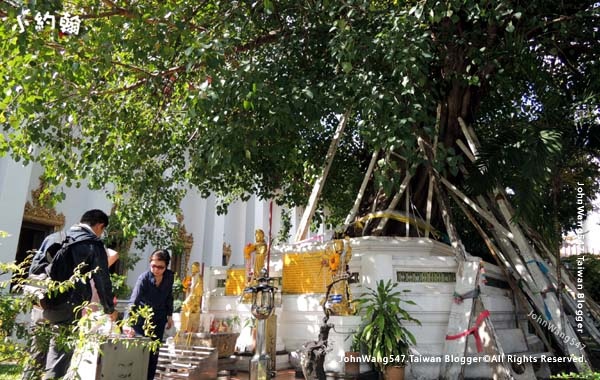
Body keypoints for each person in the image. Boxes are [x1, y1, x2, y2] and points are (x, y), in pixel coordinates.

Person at [23, 209, 118, 380]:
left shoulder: (53, 237)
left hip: (41, 303)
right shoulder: (93, 245)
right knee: (58, 360)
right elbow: (102, 280)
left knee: (35, 357)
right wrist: (109, 308)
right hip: (67, 307)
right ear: (100, 226)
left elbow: (34, 269)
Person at [125, 249, 174, 380]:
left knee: (154, 353)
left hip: (158, 319)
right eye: (153, 266)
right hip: (141, 319)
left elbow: (169, 296)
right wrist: (127, 323)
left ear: (166, 266)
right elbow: (133, 301)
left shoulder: (169, 277)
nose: (156, 270)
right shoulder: (144, 278)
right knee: (139, 352)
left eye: (160, 267)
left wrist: (170, 315)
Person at [180, 261, 203, 332]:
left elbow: (197, 288)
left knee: (186, 306)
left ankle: (188, 328)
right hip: (191, 294)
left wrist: (192, 291)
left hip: (194, 296)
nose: (192, 269)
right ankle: (185, 327)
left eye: (193, 267)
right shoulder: (193, 276)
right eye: (192, 267)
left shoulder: (198, 276)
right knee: (185, 307)